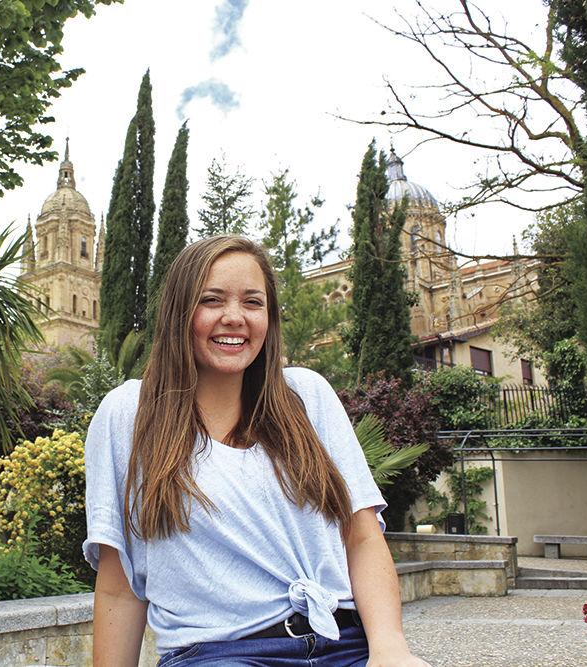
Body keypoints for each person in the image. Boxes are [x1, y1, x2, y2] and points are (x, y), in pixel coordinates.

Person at [83, 235, 430, 666]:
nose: (235, 318)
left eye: (252, 302)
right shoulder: (128, 413)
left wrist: (390, 648)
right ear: (178, 313)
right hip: (220, 652)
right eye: (211, 300)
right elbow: (119, 585)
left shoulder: (307, 396)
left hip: (343, 641)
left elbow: (361, 536)